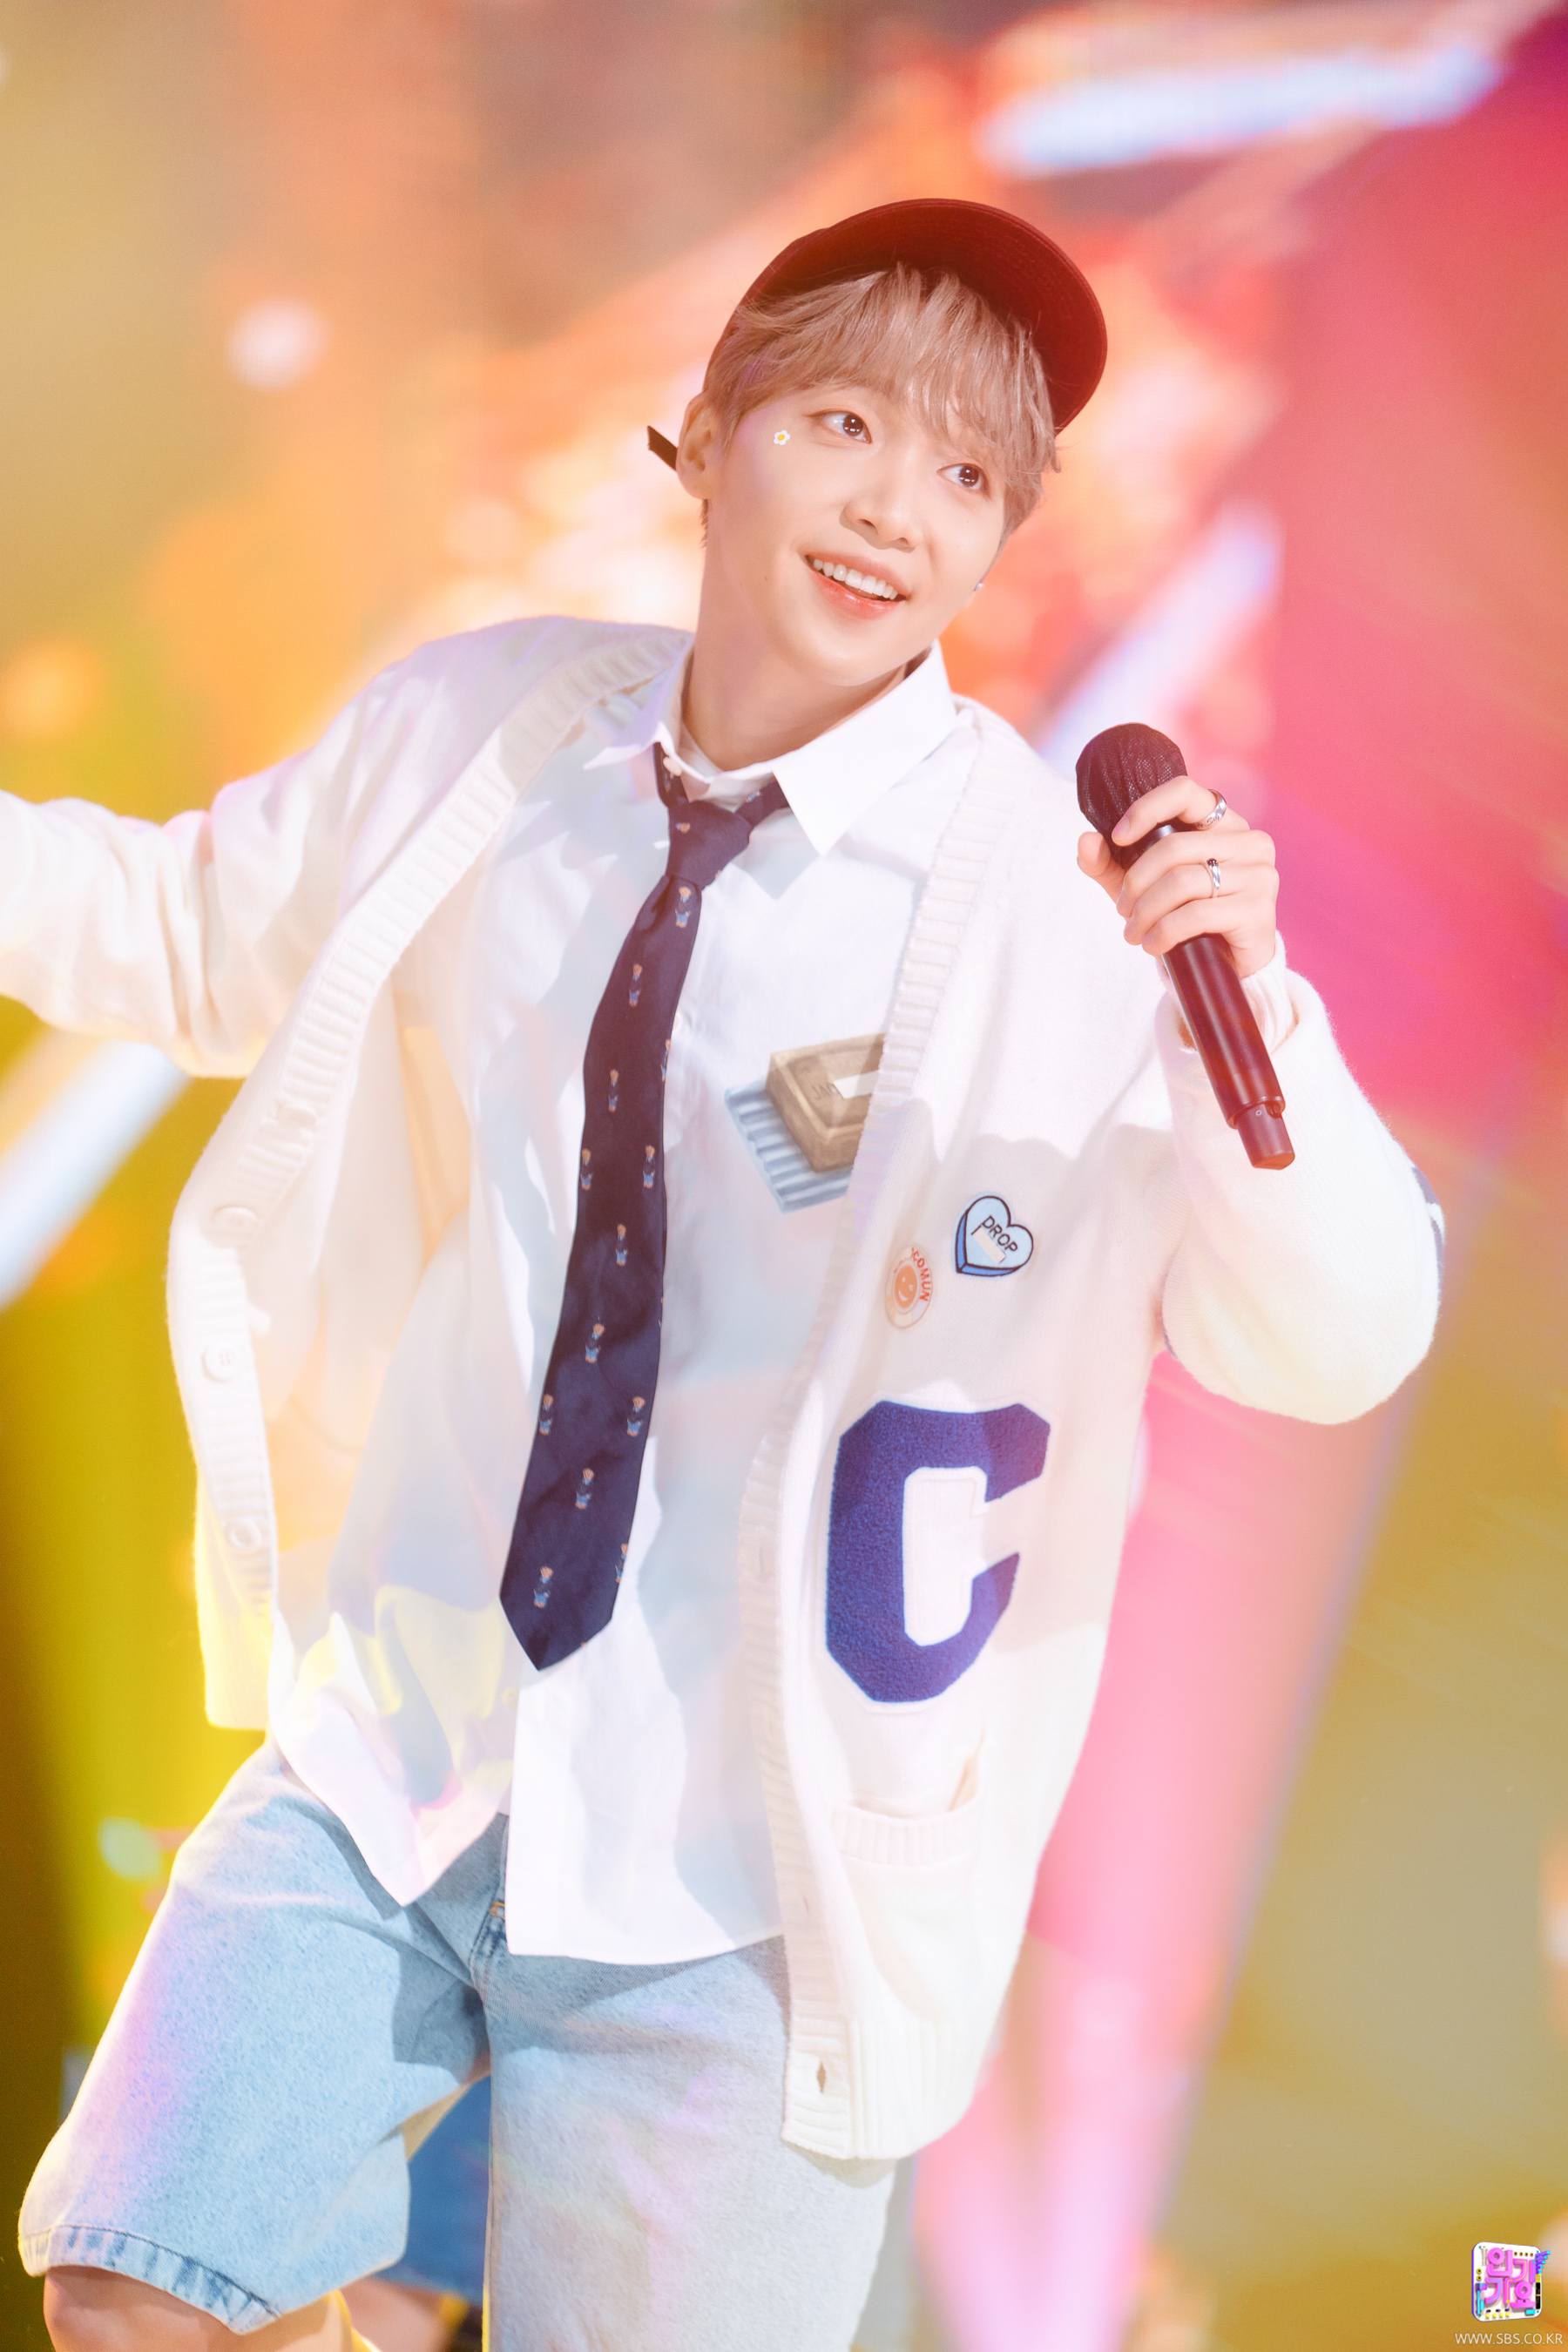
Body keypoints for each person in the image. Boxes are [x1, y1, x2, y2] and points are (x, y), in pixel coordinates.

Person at [14, 199, 1438, 2351]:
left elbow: (1332, 1339)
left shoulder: (1053, 920)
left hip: (749, 1883)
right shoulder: (491, 735)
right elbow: (189, 933)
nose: (895, 509)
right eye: (847, 425)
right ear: (710, 430)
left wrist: (1258, 1019)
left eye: (967, 471)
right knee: (140, 2286)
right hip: (407, 1745)